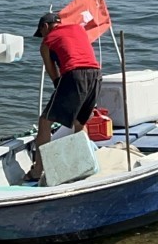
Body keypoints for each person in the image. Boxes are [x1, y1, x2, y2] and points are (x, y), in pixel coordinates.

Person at [26, 12, 102, 182]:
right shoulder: (78, 28)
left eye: (41, 32)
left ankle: (38, 170)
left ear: (45, 27)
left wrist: (61, 89)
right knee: (79, 123)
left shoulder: (47, 42)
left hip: (74, 75)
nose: (42, 37)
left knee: (45, 121)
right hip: (96, 75)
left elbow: (53, 73)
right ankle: (83, 165)